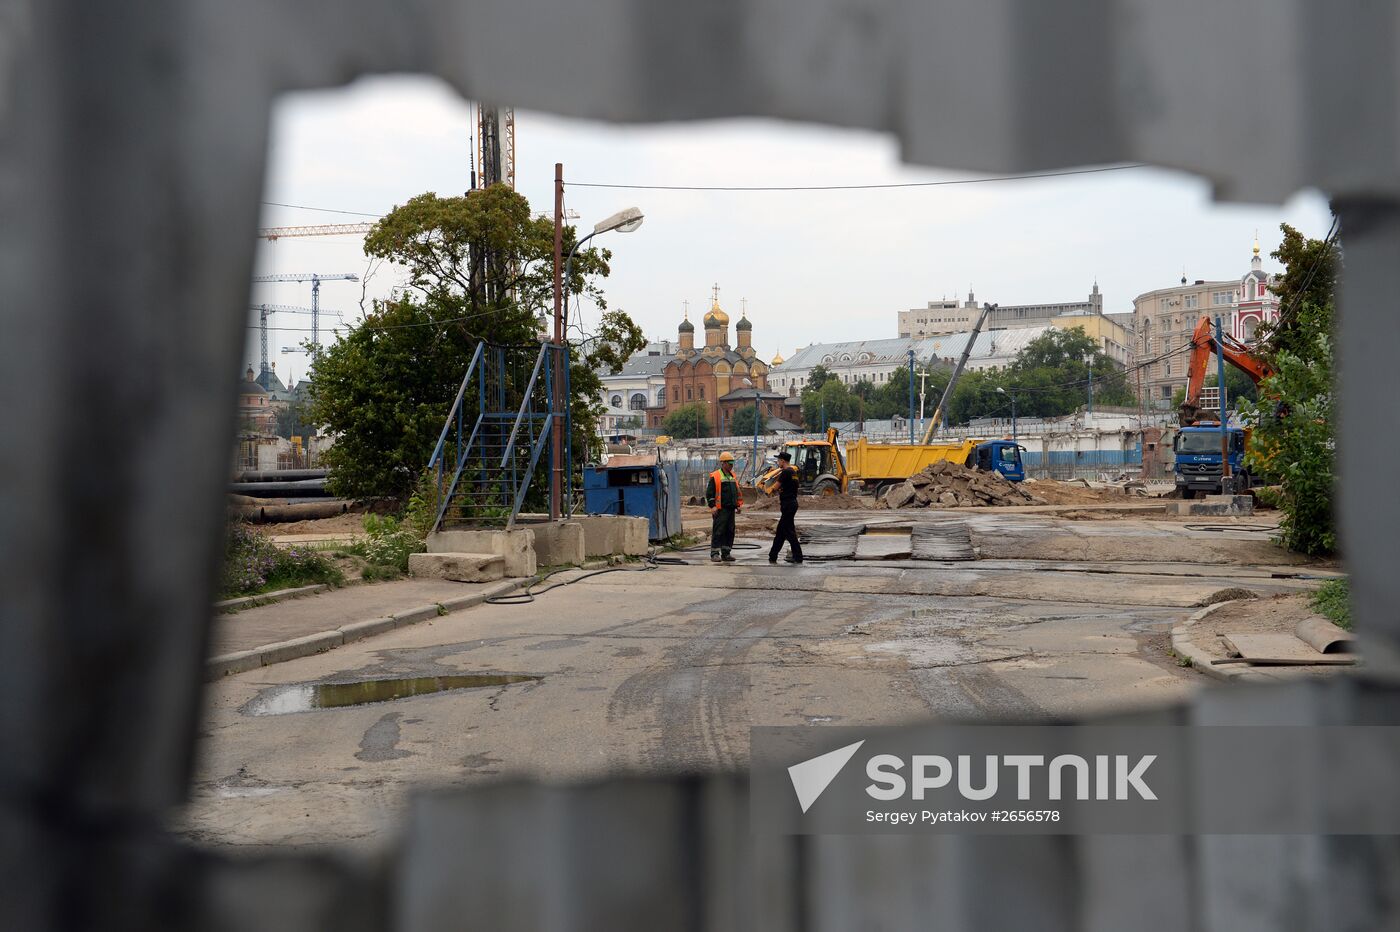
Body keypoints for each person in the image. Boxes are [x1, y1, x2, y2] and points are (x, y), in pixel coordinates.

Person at [767, 451, 804, 564]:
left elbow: (776, 486)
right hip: (791, 503)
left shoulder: (785, 472)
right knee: (781, 531)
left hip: (788, 504)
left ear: (783, 461)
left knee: (789, 531)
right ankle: (773, 556)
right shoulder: (793, 472)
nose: (778, 462)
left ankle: (798, 557)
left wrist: (768, 489)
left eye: (779, 460)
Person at [706, 451, 743, 563]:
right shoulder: (716, 476)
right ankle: (715, 554)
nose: (732, 465)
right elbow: (709, 493)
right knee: (718, 531)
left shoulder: (732, 476)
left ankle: (726, 553)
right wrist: (712, 506)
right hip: (721, 509)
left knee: (729, 531)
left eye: (732, 463)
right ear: (723, 463)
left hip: (731, 509)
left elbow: (736, 492)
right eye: (730, 463)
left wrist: (738, 505)